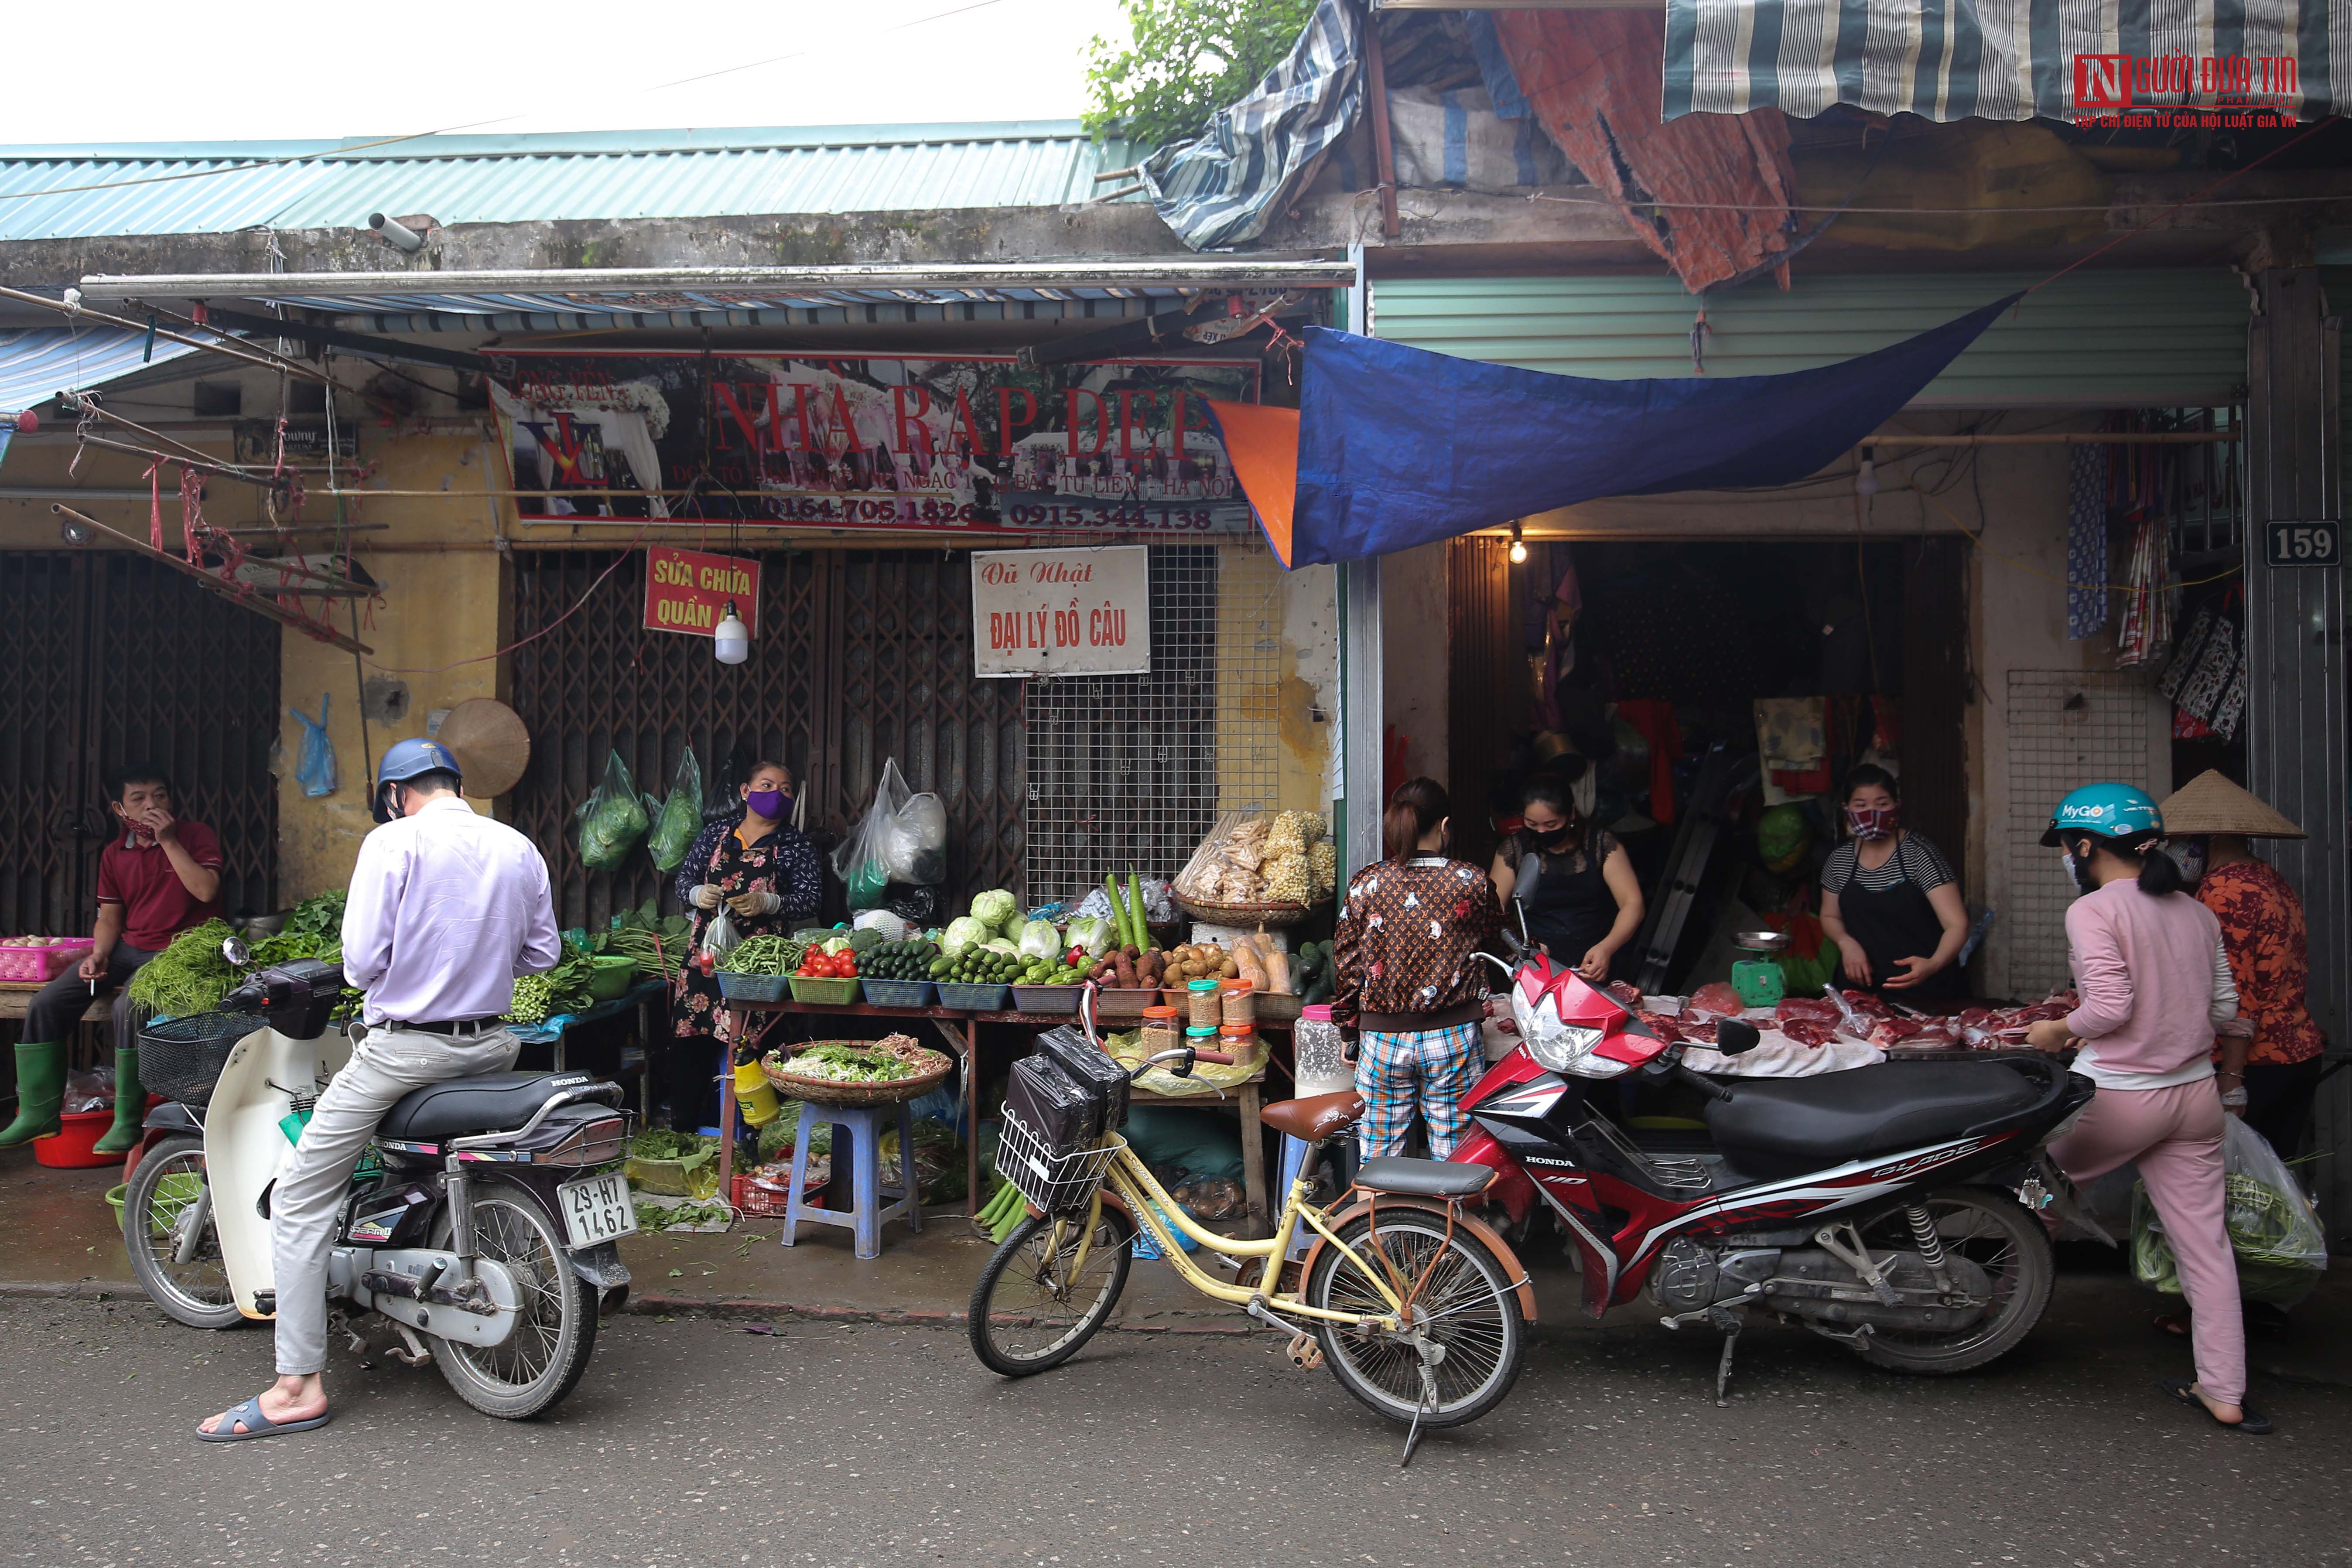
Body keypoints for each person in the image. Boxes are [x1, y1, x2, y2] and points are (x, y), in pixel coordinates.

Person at [199, 738, 559, 1441]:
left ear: (396, 795)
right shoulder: (517, 847)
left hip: (407, 1052)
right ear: (453, 784)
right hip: (491, 1046)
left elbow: (361, 966)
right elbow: (543, 955)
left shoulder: (392, 846)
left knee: (302, 1191)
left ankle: (296, 1385)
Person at [2023, 783, 2268, 1435]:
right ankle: (2224, 1390)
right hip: (2195, 1099)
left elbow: (2108, 1009)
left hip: (2123, 1097)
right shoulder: (2196, 910)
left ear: (2084, 846)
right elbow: (2223, 1010)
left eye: (2069, 848)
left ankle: (1993, 1317)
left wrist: (2055, 1030)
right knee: (2206, 1248)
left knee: (2030, 1193)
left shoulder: (2095, 910)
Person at [2, 765, 224, 1153]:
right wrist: (99, 954)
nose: (152, 804)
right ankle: (38, 1114)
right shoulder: (113, 854)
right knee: (46, 1002)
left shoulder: (194, 835)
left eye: (160, 795)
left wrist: (168, 841)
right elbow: (109, 917)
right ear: (120, 809)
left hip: (182, 947)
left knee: (130, 1005)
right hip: (128, 947)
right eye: (139, 798)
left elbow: (206, 891)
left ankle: (127, 1120)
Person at [2157, 770, 2327, 1158]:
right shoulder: (2271, 879)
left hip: (2255, 1061)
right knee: (2271, 1195)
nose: (2172, 850)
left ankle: (2033, 1203)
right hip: (2298, 1051)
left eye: (2179, 840)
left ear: (2210, 838)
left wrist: (2231, 1079)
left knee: (2234, 1194)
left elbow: (2237, 993)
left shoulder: (2224, 890)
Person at [1335, 778, 1503, 1160]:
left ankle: (1375, 1219)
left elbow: (1347, 964)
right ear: (1445, 826)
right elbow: (1497, 944)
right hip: (1453, 1036)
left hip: (1382, 1039)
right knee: (1456, 1153)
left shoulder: (1366, 883)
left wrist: (1349, 1028)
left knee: (1378, 1155)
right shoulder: (1472, 881)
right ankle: (1454, 1221)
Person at [669, 761, 822, 1128]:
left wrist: (771, 902)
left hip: (759, 964)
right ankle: (686, 1129)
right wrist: (696, 893)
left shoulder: (795, 846)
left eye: (785, 789)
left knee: (751, 1046)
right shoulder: (716, 834)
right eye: (767, 785)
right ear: (744, 791)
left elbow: (812, 898)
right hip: (705, 957)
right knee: (692, 1041)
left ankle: (752, 1135)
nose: (776, 794)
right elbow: (682, 880)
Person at [1818, 765, 1969, 1001]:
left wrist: (1933, 964)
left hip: (1924, 991)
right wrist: (1846, 943)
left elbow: (1957, 924)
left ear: (1896, 805)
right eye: (1861, 806)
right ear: (1846, 808)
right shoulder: (1840, 861)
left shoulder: (1919, 855)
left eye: (1882, 804)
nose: (1873, 813)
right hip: (1859, 994)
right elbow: (1829, 916)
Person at [1490, 774, 1643, 982]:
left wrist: (1607, 947)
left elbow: (1632, 903)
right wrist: (1525, 946)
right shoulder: (1513, 850)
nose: (1542, 831)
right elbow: (1492, 912)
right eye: (1532, 824)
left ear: (1571, 814)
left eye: (1551, 825)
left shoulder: (1600, 844)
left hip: (1593, 959)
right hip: (1536, 963)